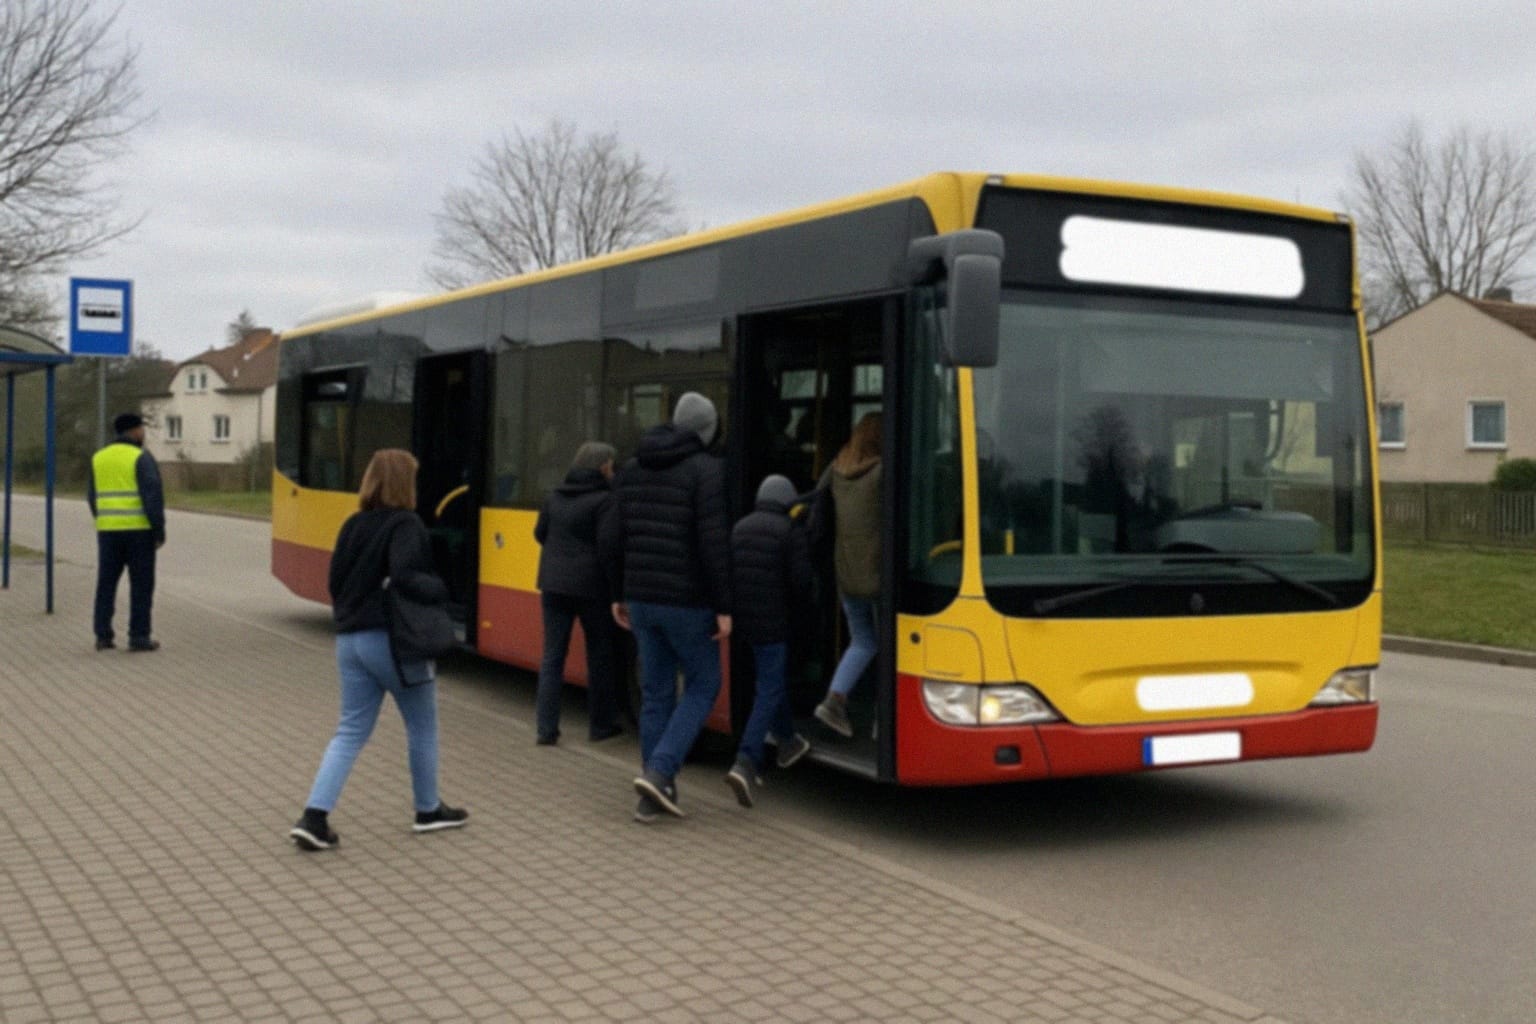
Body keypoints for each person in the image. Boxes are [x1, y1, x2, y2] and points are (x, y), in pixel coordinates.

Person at [290, 448, 467, 851]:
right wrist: (440, 588)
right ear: (405, 483)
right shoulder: (406, 523)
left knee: (350, 730)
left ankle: (314, 817)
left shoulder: (352, 524)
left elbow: (334, 583)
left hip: (350, 641)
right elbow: (406, 575)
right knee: (422, 725)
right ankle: (428, 810)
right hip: (393, 642)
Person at [612, 392, 732, 822]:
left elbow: (615, 534)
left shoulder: (632, 468)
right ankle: (661, 771)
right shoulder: (707, 471)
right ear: (707, 431)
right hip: (687, 601)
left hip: (642, 599)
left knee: (656, 690)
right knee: (704, 683)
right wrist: (724, 605)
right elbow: (713, 543)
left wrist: (619, 593)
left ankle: (653, 794)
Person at [724, 474, 814, 808]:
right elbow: (801, 582)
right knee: (769, 689)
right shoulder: (790, 532)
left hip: (744, 622)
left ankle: (788, 742)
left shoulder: (740, 528)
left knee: (770, 683)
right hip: (774, 624)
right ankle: (745, 762)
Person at [533, 441, 624, 745]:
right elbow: (609, 548)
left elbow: (540, 534)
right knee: (599, 655)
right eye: (611, 465)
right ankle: (601, 726)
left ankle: (546, 729)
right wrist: (617, 593)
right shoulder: (605, 500)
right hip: (591, 588)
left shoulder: (554, 496)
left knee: (552, 657)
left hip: (553, 585)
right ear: (603, 466)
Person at [813, 412, 883, 738]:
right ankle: (884, 719)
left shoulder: (837, 468)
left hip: (846, 574)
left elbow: (818, 501)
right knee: (890, 647)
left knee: (863, 641)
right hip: (879, 575)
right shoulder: (882, 471)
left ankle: (835, 700)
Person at [88, 412, 166, 652]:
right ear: (134, 431)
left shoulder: (99, 458)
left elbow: (92, 496)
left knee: (106, 583)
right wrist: (158, 530)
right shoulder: (141, 457)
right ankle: (139, 636)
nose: (143, 433)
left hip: (108, 532)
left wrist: (104, 518)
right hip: (138, 532)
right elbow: (152, 496)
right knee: (141, 585)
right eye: (142, 428)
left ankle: (103, 635)